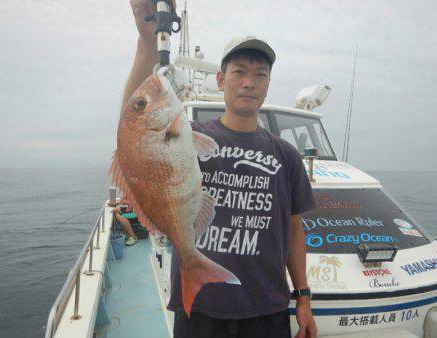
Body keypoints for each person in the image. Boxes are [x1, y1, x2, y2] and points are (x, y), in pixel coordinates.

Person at [122, 1, 317, 337]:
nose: (249, 82)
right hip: (201, 307)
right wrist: (146, 43)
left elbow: (294, 230)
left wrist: (302, 298)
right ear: (220, 79)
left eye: (260, 74)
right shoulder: (191, 138)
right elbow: (135, 130)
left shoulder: (286, 155)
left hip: (267, 308)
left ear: (268, 84)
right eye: (239, 71)